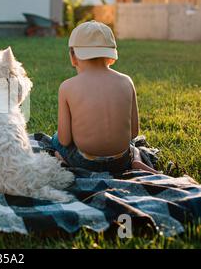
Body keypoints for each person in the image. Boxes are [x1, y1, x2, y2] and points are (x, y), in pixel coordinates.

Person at [50, 21, 159, 174]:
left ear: (73, 57)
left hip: (85, 162)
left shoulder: (67, 87)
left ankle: (64, 163)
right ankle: (136, 159)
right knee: (132, 147)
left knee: (55, 140)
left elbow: (65, 140)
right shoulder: (127, 81)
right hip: (121, 161)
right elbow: (134, 133)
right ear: (112, 57)